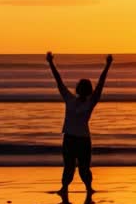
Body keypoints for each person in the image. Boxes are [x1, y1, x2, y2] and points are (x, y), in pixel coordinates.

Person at [46, 52, 112, 196]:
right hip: (70, 138)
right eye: (81, 87)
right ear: (78, 89)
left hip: (83, 139)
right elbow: (59, 82)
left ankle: (88, 189)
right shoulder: (69, 99)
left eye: (84, 88)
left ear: (87, 90)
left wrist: (107, 66)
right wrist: (50, 63)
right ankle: (64, 188)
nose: (82, 90)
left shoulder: (90, 101)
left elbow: (101, 84)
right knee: (68, 167)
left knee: (84, 168)